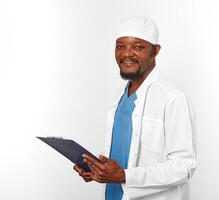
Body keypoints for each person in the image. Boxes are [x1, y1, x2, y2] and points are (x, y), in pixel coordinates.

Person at [73, 16, 197, 200]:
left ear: (155, 51)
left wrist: (125, 176)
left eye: (138, 47)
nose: (127, 54)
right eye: (120, 46)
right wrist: (98, 170)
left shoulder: (172, 97)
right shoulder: (122, 94)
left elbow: (184, 166)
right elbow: (122, 152)